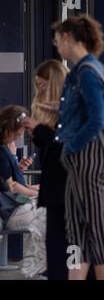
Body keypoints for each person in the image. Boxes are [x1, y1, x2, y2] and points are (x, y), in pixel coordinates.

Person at [52, 15, 104, 280]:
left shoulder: (88, 73)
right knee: (75, 228)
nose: (56, 46)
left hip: (85, 157)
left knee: (96, 227)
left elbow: (98, 119)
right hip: (78, 159)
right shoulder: (82, 71)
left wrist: (72, 147)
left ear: (68, 38)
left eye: (57, 41)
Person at [22, 60, 69, 280]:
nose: (39, 91)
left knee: (67, 239)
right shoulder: (57, 109)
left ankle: (68, 273)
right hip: (55, 186)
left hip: (68, 185)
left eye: (43, 86)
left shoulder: (70, 107)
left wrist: (39, 129)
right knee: (56, 238)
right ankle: (58, 271)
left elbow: (64, 145)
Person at [0, 105, 46, 278]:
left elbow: (11, 182)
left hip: (12, 206)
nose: (23, 134)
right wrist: (36, 192)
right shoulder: (4, 151)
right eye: (22, 129)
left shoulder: (6, 149)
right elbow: (12, 187)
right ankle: (46, 266)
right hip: (11, 209)